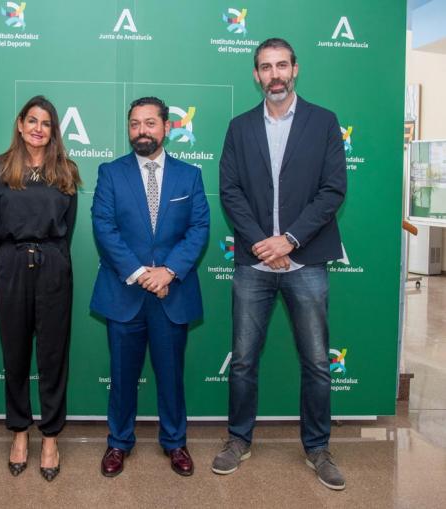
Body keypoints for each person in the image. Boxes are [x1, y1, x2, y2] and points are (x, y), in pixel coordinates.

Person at [213, 38, 347, 490]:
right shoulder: (239, 127)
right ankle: (238, 440)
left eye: (282, 66)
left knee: (316, 363)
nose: (275, 75)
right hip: (254, 264)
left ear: (295, 69)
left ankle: (318, 448)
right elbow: (229, 190)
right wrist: (261, 243)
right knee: (245, 361)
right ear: (256, 75)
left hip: (306, 260)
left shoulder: (324, 122)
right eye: (266, 67)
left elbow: (333, 190)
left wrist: (288, 240)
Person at [91, 96, 210, 477]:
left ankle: (175, 442)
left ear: (166, 127)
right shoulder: (110, 173)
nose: (142, 131)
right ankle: (118, 442)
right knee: (122, 376)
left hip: (171, 294)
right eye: (135, 124)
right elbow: (104, 228)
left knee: (171, 375)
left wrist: (169, 272)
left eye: (150, 123)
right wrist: (143, 274)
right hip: (124, 293)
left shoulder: (190, 175)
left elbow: (199, 229)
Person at [0, 95, 81, 482]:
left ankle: (51, 437)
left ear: (53, 131)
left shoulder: (67, 172)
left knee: (54, 357)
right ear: (20, 124)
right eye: (32, 121)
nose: (39, 128)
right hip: (9, 264)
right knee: (16, 354)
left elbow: (68, 229)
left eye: (47, 123)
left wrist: (51, 259)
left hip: (54, 264)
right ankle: (20, 433)